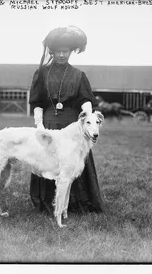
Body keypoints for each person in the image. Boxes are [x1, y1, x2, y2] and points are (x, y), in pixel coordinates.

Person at [29, 26, 104, 214]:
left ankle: (76, 203)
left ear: (71, 52)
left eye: (66, 51)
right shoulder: (42, 73)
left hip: (72, 125)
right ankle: (45, 202)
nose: (62, 55)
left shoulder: (79, 75)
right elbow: (37, 102)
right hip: (49, 123)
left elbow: (85, 100)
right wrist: (39, 125)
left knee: (74, 161)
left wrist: (88, 114)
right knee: (47, 159)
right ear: (52, 51)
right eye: (58, 51)